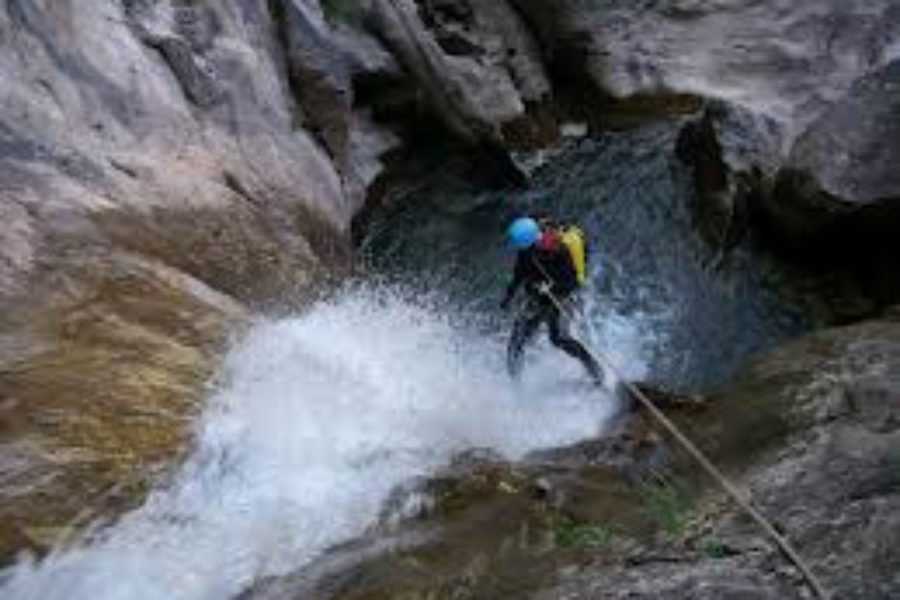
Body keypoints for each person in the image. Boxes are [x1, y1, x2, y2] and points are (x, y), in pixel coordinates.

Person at [500, 216, 604, 384]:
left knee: (559, 338)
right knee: (517, 340)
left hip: (560, 296)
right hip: (539, 293)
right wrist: (509, 295)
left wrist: (549, 288)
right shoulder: (527, 248)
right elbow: (519, 272)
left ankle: (596, 372)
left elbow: (571, 283)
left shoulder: (560, 250)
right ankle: (514, 385)